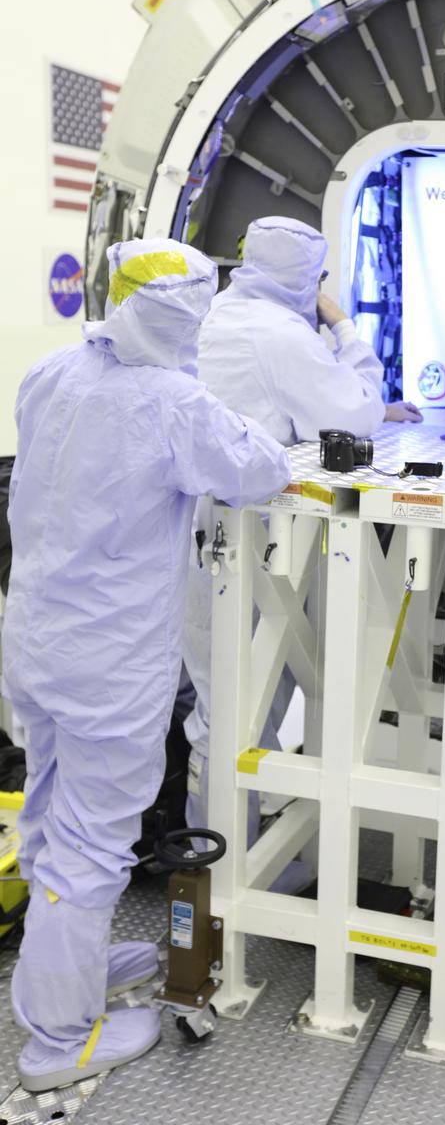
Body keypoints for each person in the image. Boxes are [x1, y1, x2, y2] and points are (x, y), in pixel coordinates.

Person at [2, 239, 291, 1092]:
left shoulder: (53, 373)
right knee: (91, 842)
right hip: (108, 664)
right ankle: (59, 1040)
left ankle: (72, 963)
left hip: (37, 645)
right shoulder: (172, 400)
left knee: (55, 814)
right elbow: (259, 471)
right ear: (189, 317)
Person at [183, 215, 421, 840]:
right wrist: (343, 327)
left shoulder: (217, 314)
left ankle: (211, 863)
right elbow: (355, 412)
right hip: (248, 540)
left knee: (219, 698)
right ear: (307, 280)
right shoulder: (279, 334)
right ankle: (225, 870)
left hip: (196, 531)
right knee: (240, 702)